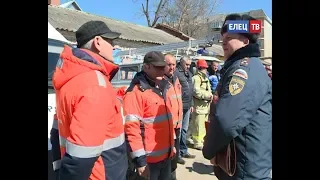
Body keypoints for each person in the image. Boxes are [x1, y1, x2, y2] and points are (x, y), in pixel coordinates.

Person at [52, 20, 128, 180]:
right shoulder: (95, 83)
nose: (114, 47)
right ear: (98, 42)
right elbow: (81, 157)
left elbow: (56, 132)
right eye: (111, 41)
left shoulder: (72, 79)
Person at [202, 14, 272, 180]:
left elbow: (226, 121)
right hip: (244, 164)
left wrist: (209, 149)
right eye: (223, 38)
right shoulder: (240, 66)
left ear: (246, 41)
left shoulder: (243, 70)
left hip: (245, 169)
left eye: (230, 38)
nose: (223, 42)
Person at [123, 51, 175, 180]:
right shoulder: (135, 93)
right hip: (149, 161)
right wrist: (140, 161)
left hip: (166, 156)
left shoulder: (163, 87)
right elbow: (131, 130)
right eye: (157, 67)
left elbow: (166, 121)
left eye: (163, 67)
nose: (161, 70)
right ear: (146, 67)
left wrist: (171, 145)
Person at [163, 54, 183, 180]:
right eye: (169, 64)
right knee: (167, 158)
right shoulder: (161, 82)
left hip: (177, 125)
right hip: (167, 127)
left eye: (174, 64)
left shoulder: (176, 79)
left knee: (174, 158)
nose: (172, 67)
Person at [175, 56, 196, 164]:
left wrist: (192, 104)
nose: (188, 66)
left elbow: (190, 90)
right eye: (186, 64)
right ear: (181, 63)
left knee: (185, 130)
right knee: (178, 131)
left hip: (188, 105)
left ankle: (184, 150)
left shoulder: (189, 73)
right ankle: (177, 154)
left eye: (189, 65)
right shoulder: (176, 73)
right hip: (179, 106)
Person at [189, 59, 212, 150]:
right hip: (199, 106)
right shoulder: (196, 78)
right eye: (204, 68)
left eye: (205, 68)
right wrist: (208, 96)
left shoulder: (205, 78)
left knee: (202, 125)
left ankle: (200, 139)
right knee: (198, 125)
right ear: (199, 68)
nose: (205, 70)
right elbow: (196, 92)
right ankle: (197, 142)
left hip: (205, 106)